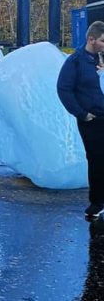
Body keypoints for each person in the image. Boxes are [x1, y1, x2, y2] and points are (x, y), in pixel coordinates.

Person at [57, 21, 104, 219]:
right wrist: (81, 113)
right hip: (92, 120)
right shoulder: (75, 61)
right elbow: (63, 89)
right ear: (91, 39)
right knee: (96, 160)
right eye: (103, 41)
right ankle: (97, 203)